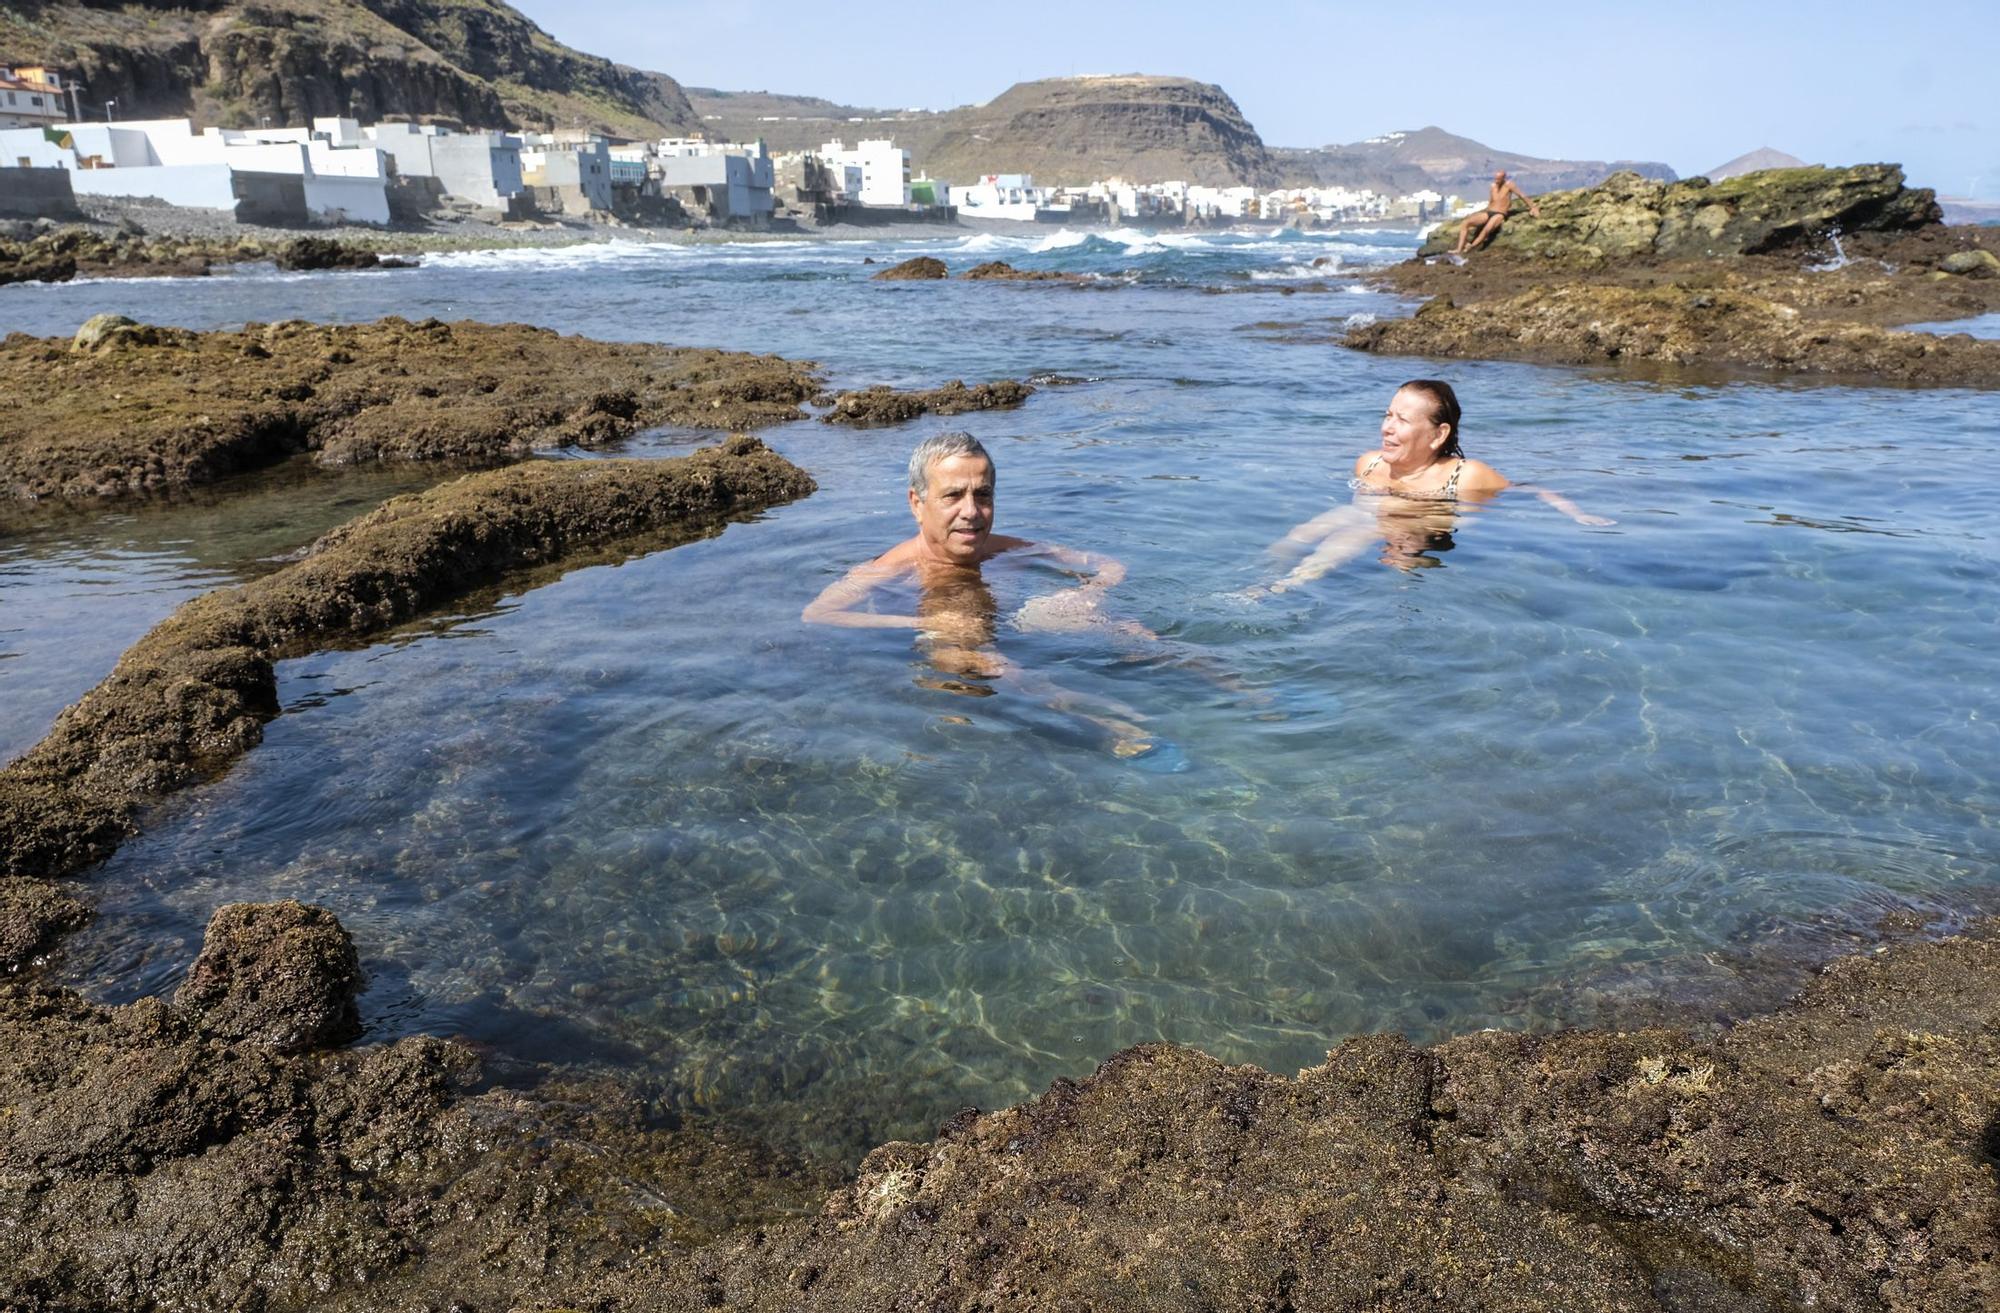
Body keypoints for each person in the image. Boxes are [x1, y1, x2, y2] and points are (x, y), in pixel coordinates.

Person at [804, 431, 1163, 755]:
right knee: (980, 657)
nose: (971, 512)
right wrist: (921, 621)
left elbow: (1108, 565)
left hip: (1013, 623)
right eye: (953, 496)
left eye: (983, 495)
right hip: (950, 644)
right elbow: (818, 614)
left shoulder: (1003, 549)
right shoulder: (891, 569)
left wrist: (1088, 594)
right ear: (917, 504)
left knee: (1132, 632)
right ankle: (1107, 727)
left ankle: (1212, 676)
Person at [1253, 380, 1612, 593]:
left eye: (1402, 420)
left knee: (1348, 541)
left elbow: (1531, 489)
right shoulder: (1370, 464)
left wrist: (1579, 515)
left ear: (1439, 434)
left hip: (1411, 531)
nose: (1387, 428)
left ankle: (1273, 592)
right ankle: (1258, 574)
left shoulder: (1466, 476)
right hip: (1370, 516)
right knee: (1301, 534)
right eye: (1387, 415)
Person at [1453, 170, 1541, 254]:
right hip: (1489, 212)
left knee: (1487, 229)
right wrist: (1483, 211)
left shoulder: (1509, 185)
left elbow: (1521, 195)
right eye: (1495, 178)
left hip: (1500, 214)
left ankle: (1472, 246)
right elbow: (1491, 201)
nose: (1496, 181)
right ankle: (1459, 249)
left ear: (1503, 178)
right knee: (1466, 223)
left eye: (1498, 179)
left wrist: (1533, 207)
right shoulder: (1493, 186)